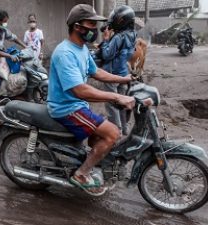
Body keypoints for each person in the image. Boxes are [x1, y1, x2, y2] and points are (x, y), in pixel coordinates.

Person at [47, 4, 135, 196]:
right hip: (66, 108)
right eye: (91, 24)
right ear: (78, 27)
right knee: (113, 133)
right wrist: (117, 96)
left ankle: (89, 161)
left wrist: (124, 79)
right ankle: (81, 174)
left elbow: (97, 72)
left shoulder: (81, 49)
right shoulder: (65, 53)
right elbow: (80, 90)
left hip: (77, 105)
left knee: (102, 133)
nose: (95, 29)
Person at [99, 5, 137, 135]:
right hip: (123, 73)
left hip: (112, 74)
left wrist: (105, 41)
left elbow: (107, 55)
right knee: (122, 103)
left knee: (112, 104)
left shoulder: (118, 37)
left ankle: (116, 132)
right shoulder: (132, 35)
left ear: (122, 21)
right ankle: (124, 129)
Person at [0, 10, 27, 111]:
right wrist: (9, 56)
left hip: (3, 56)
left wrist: (25, 46)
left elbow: (13, 37)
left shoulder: (3, 29)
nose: (5, 23)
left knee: (16, 68)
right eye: (4, 21)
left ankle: (11, 93)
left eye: (6, 21)